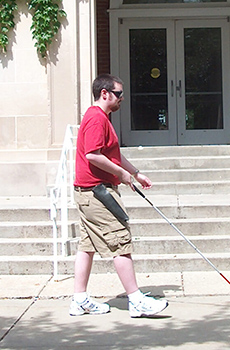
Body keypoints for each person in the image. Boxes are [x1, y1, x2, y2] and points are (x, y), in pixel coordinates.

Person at [69, 74, 168, 318]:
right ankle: (136, 300)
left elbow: (111, 154)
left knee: (87, 245)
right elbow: (93, 155)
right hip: (96, 192)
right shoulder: (95, 119)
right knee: (120, 241)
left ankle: (79, 299)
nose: (122, 98)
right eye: (119, 94)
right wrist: (122, 175)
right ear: (105, 93)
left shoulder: (101, 118)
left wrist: (135, 173)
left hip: (90, 192)